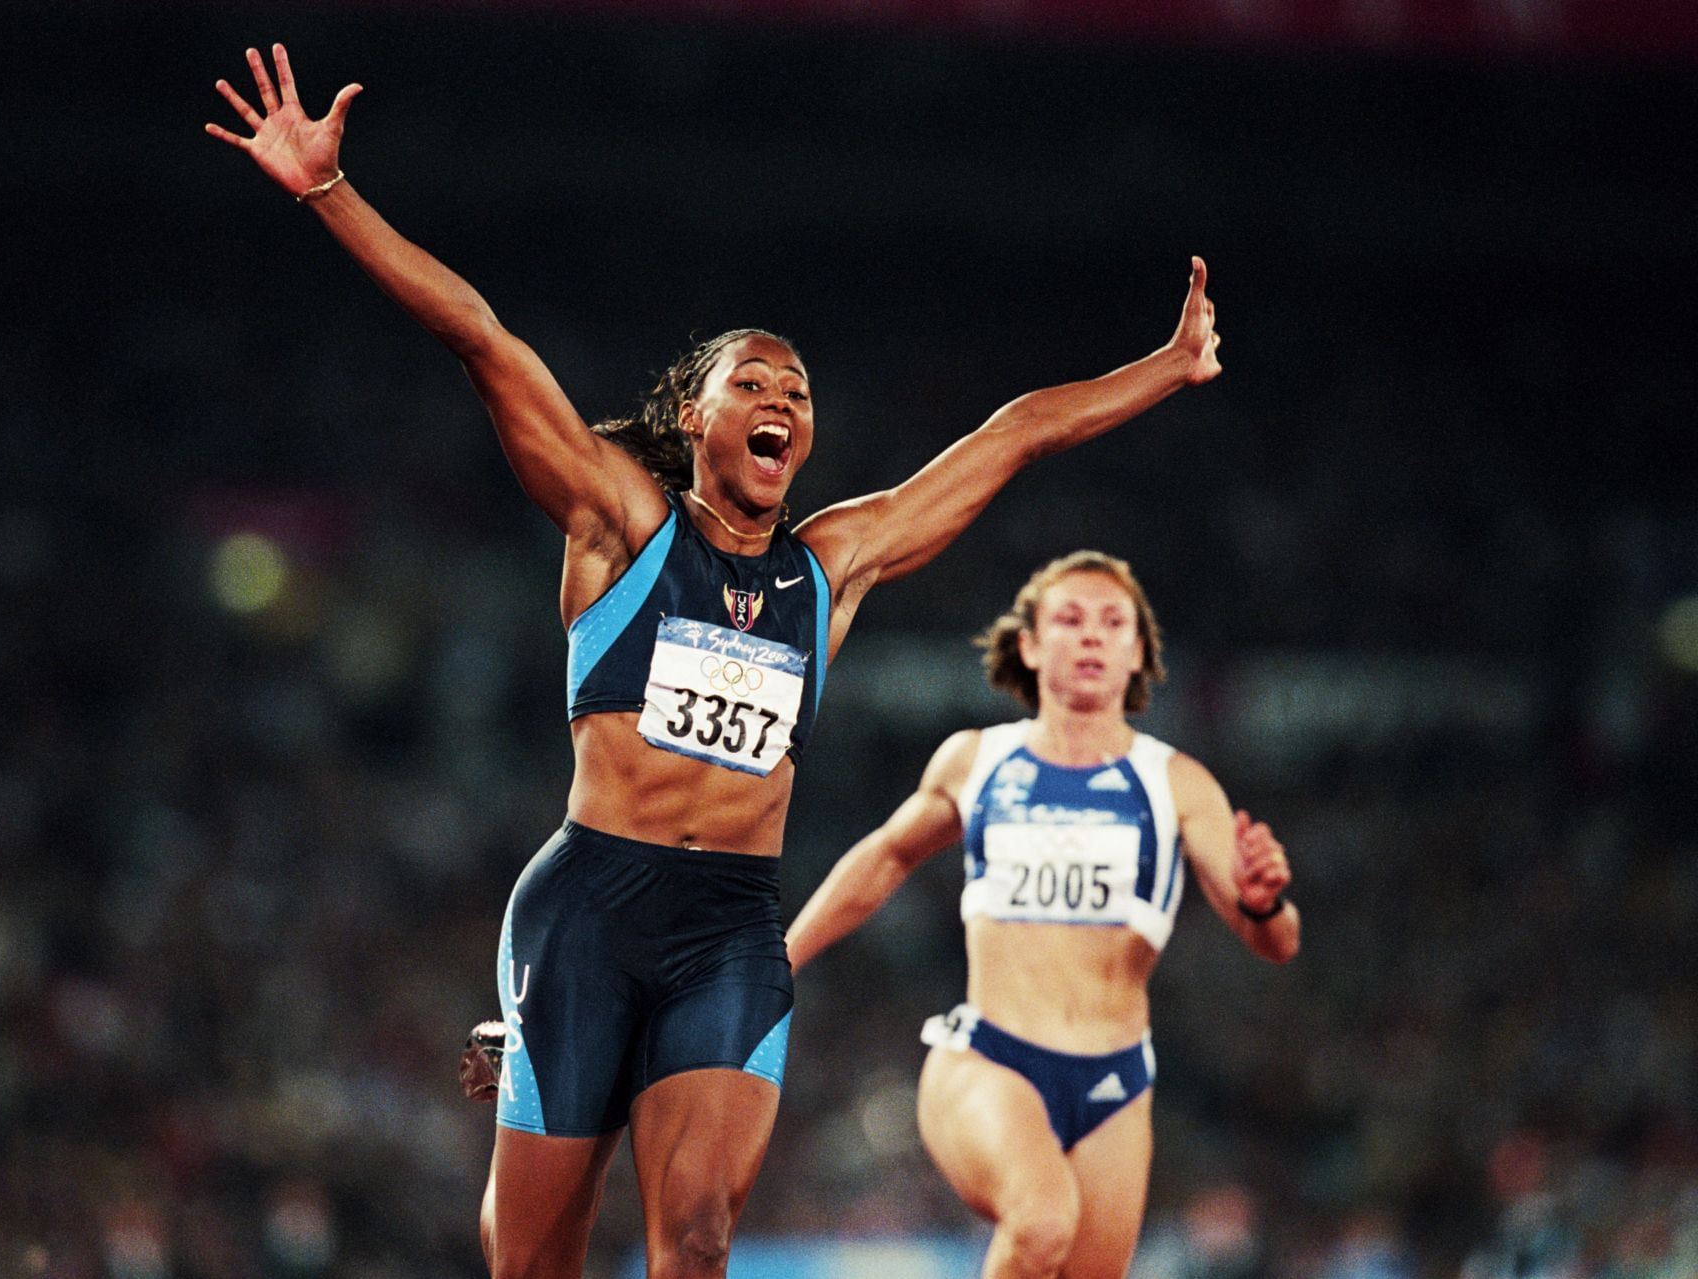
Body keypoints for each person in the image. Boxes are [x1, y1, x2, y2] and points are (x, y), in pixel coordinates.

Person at [207, 45, 1223, 1279]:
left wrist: (1166, 369)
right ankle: (539, 1060)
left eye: (798, 387)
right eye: (755, 379)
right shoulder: (618, 520)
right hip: (587, 909)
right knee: (532, 1261)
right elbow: (479, 335)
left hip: (732, 929)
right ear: (697, 415)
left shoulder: (828, 568)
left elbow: (1012, 437)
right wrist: (328, 192)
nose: (783, 396)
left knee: (697, 1240)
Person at [786, 551, 1299, 1279]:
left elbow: (1275, 940)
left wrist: (1265, 898)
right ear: (1028, 645)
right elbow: (884, 858)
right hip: (989, 1061)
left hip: (1114, 1085)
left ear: (1138, 652)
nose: (1091, 636)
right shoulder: (977, 761)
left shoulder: (1176, 784)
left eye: (1112, 622)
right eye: (1069, 619)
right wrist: (782, 958)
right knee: (1041, 1219)